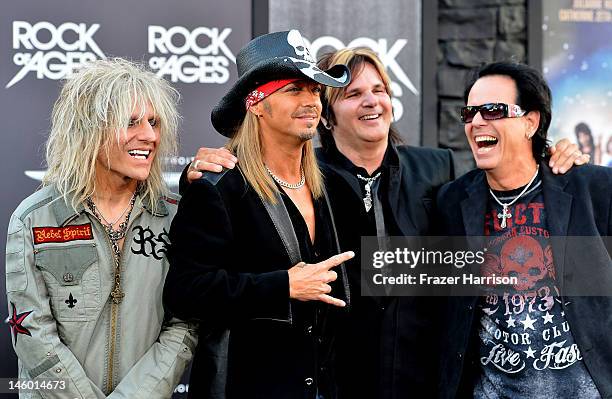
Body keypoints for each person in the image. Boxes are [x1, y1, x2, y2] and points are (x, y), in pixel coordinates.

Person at [185, 47, 588, 398]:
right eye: (354, 93)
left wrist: (553, 157)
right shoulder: (311, 180)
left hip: (423, 375)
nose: (371, 101)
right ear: (328, 116)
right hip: (336, 376)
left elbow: (501, 193)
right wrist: (196, 173)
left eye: (379, 90)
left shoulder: (437, 168)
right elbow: (207, 266)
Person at [163, 30, 353, 399]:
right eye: (294, 89)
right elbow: (185, 293)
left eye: (314, 89)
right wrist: (282, 285)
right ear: (256, 104)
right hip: (244, 386)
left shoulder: (335, 188)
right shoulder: (218, 188)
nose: (311, 100)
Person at [5, 58, 196, 398]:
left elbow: (184, 325)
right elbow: (32, 331)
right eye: (131, 122)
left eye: (154, 122)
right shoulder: (34, 219)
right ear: (87, 127)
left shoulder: (177, 217)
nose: (150, 135)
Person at [436, 61, 612, 398]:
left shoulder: (593, 189)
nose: (476, 122)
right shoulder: (452, 201)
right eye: (469, 113)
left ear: (530, 122)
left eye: (493, 110)